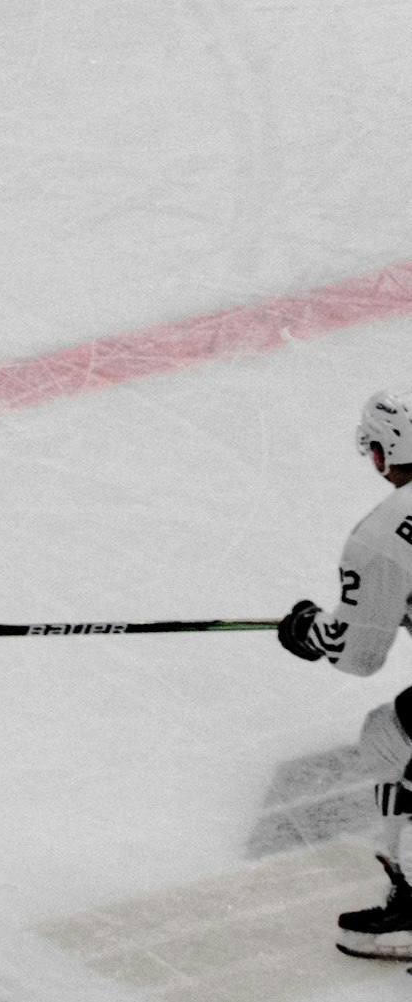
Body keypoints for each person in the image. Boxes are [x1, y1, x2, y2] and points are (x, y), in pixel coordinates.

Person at [277, 393, 412, 957]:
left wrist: (310, 631)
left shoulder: (382, 538)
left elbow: (358, 655)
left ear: (385, 451)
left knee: (390, 738)